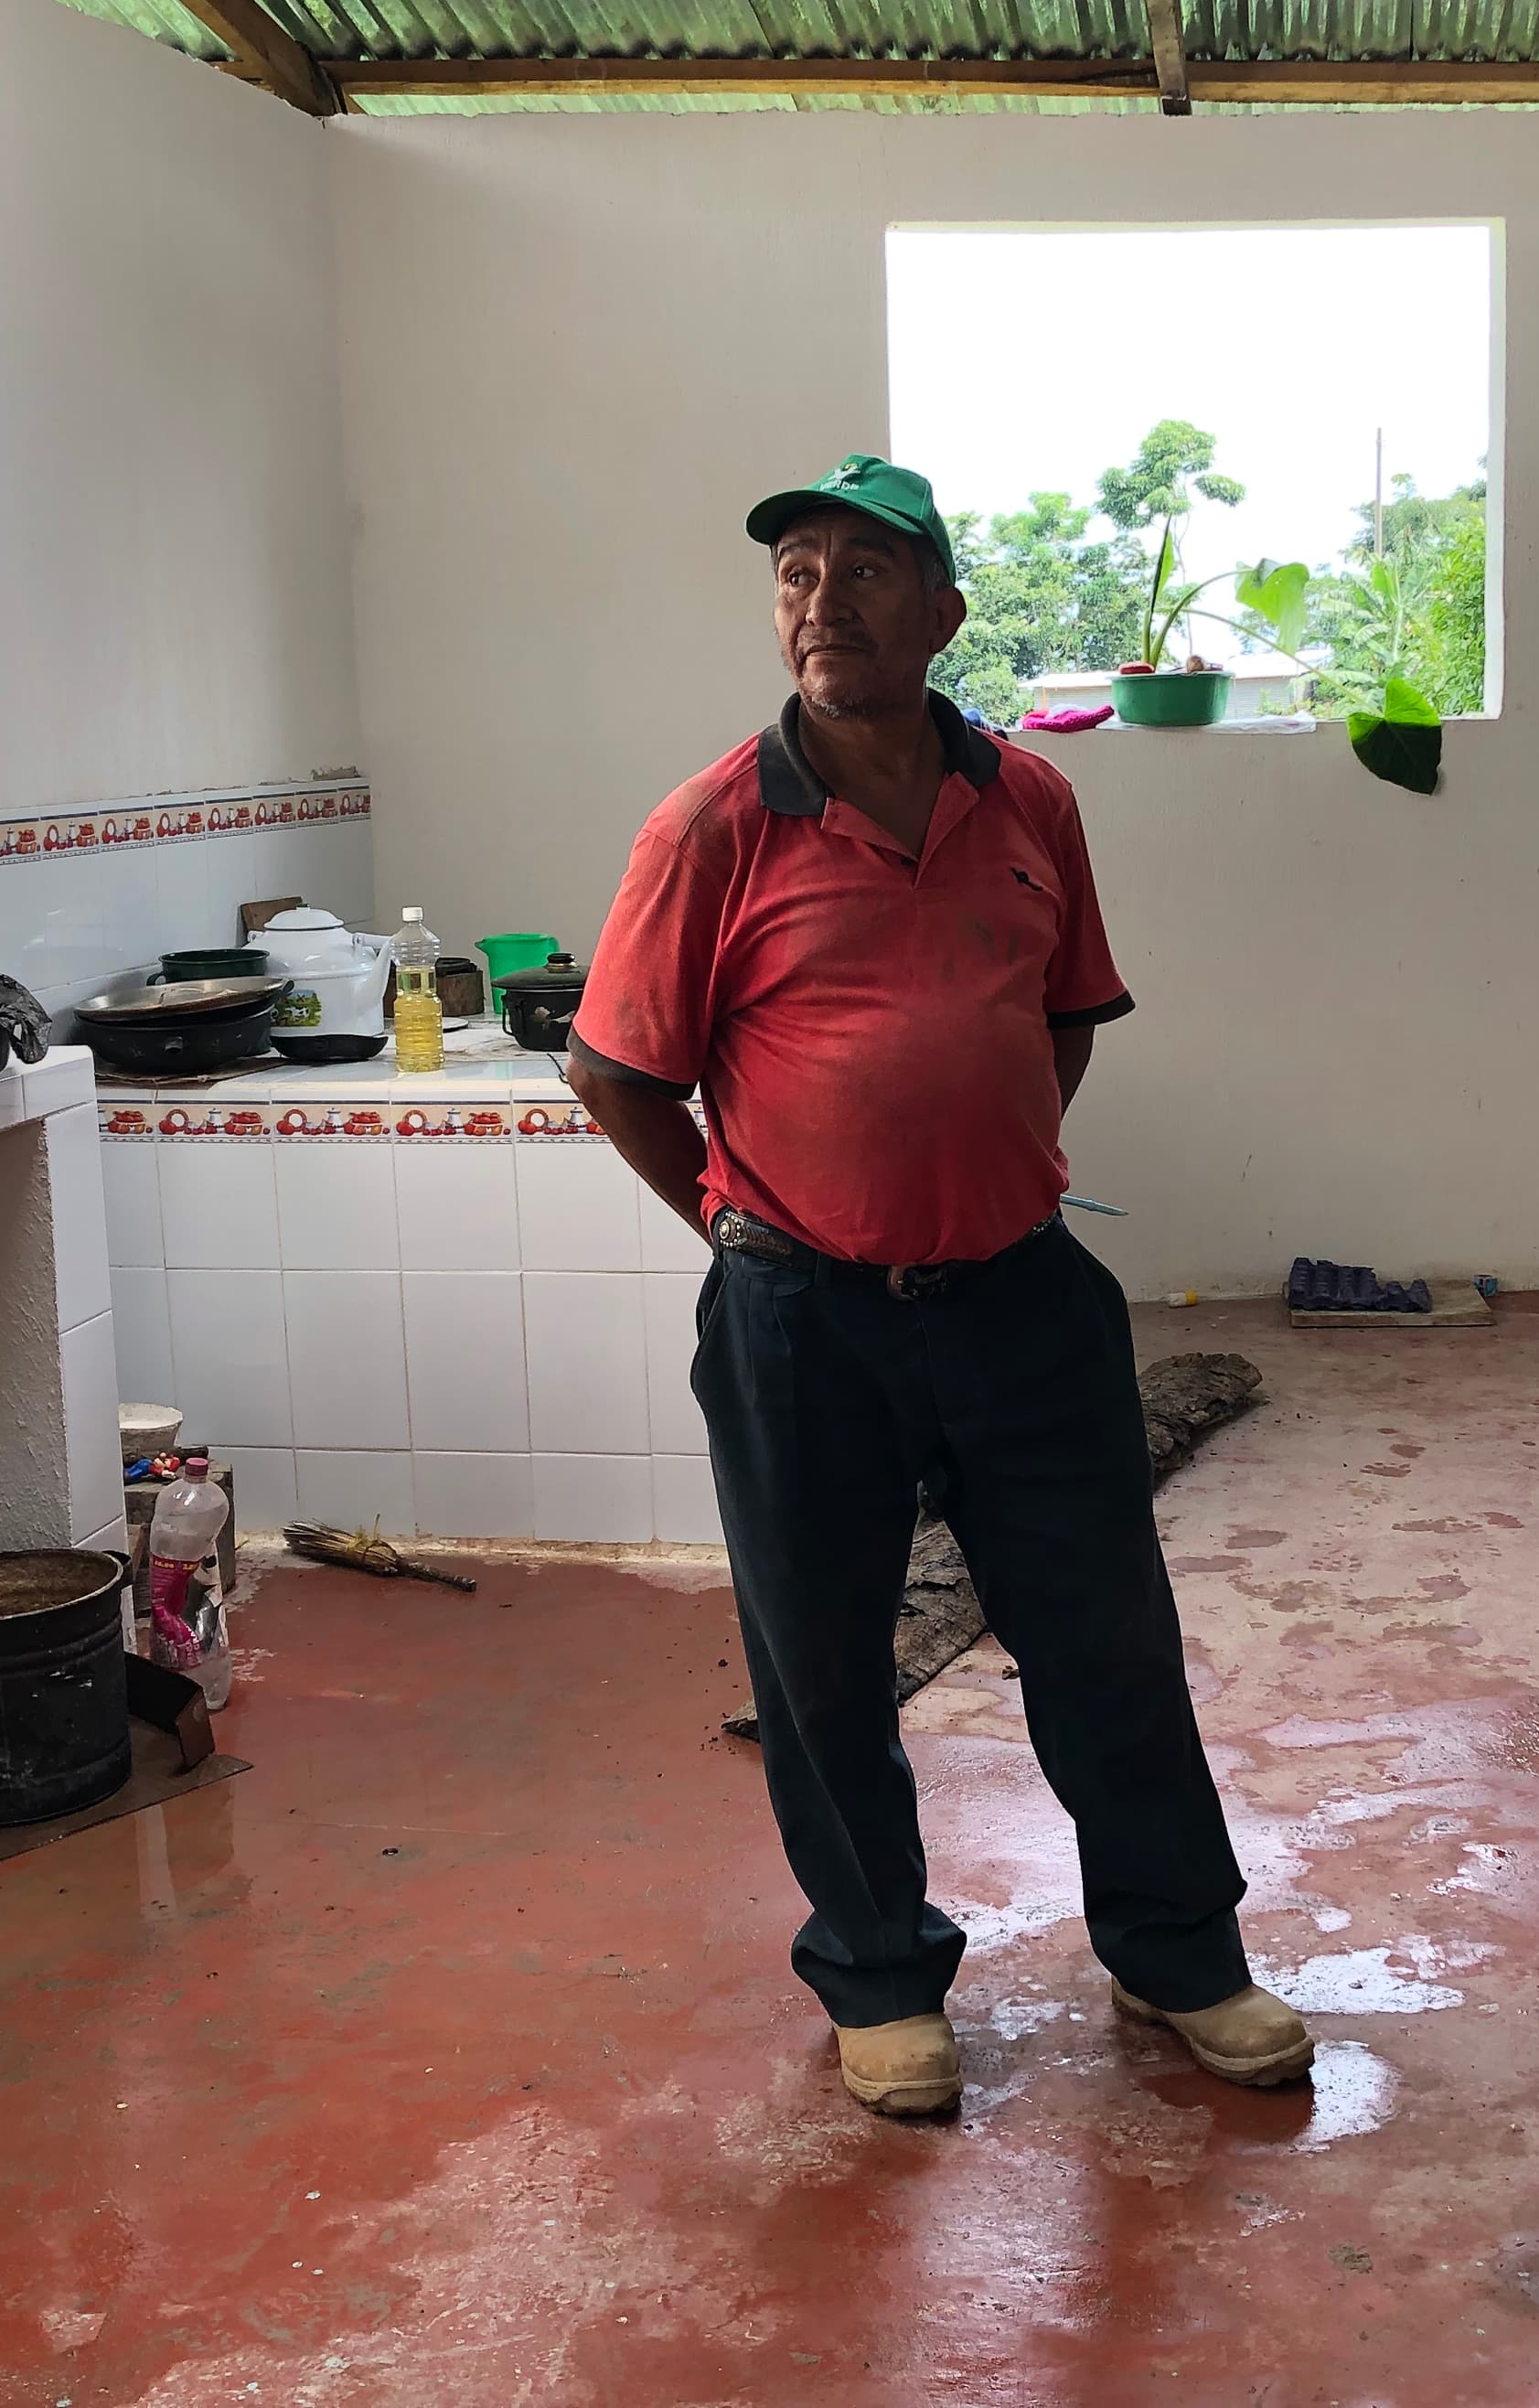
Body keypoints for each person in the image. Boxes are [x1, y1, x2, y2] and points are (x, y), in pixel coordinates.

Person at [564, 454, 1311, 2118]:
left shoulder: (1033, 802)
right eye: (798, 575)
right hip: (798, 1318)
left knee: (1106, 1637)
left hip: (1024, 1297)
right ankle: (881, 1976)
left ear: (947, 610)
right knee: (823, 1662)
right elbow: (617, 1074)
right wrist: (752, 1225)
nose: (823, 600)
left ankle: (1180, 1951)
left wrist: (975, 1165)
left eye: (864, 570)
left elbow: (1065, 1010)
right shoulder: (708, 828)